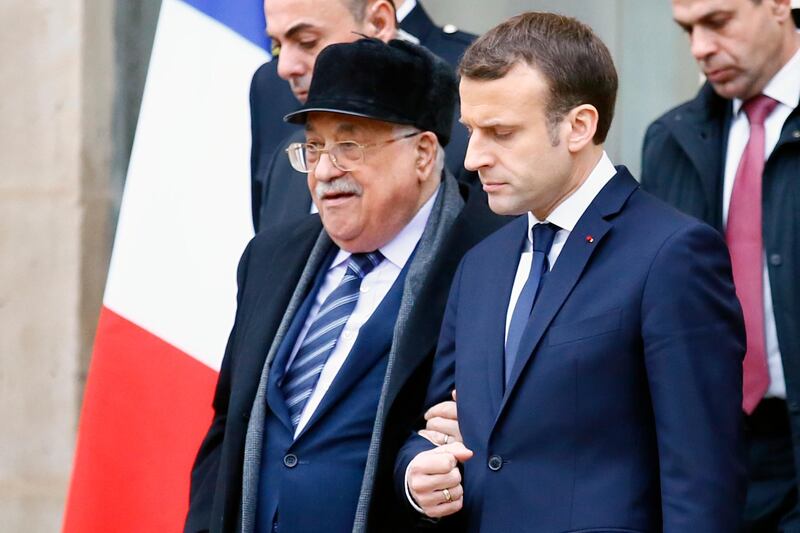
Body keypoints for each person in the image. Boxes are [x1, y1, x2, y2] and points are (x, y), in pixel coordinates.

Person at [396, 12, 747, 532]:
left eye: (501, 132)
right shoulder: (480, 264)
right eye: (470, 130)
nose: (471, 159)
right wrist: (416, 474)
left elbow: (701, 483)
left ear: (579, 126)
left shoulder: (673, 254)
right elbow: (440, 425)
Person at [185, 38, 504, 533]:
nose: (325, 171)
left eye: (349, 146)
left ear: (423, 154)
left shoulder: (490, 264)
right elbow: (229, 428)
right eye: (313, 147)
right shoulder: (269, 257)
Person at [641, 1, 800, 529]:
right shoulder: (670, 139)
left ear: (780, 5)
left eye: (718, 21)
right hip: (710, 451)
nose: (700, 48)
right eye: (688, 29)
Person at [249, 0, 476, 233]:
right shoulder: (271, 86)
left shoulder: (476, 82)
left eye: (308, 41)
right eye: (276, 46)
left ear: (378, 23)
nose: (284, 68)